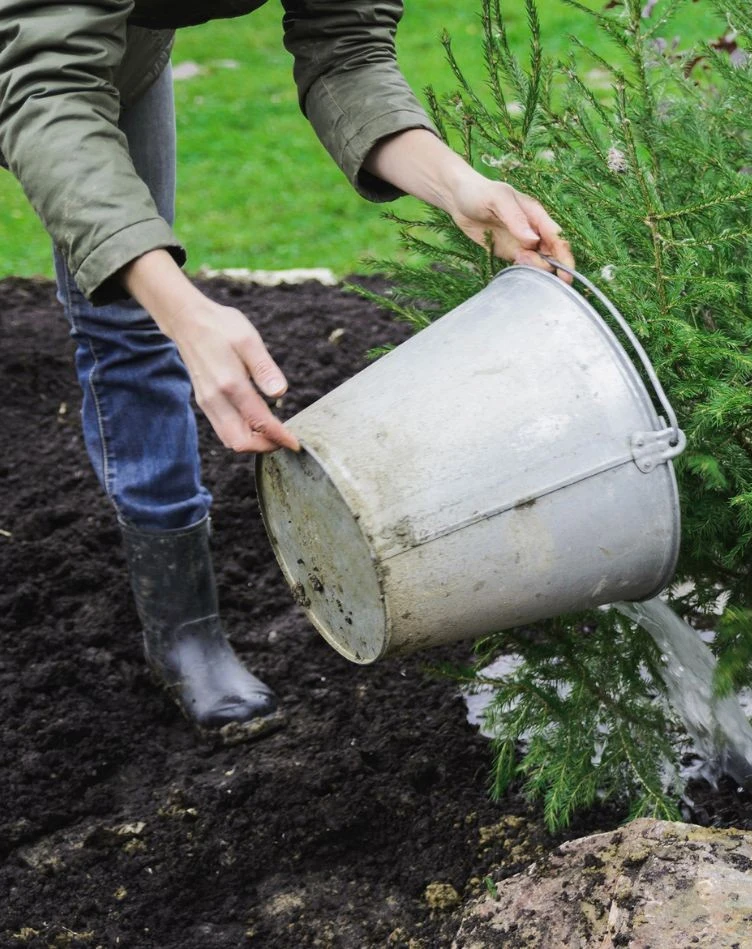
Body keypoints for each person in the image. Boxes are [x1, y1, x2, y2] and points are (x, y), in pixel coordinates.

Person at [0, 0, 573, 738]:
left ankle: (184, 633)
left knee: (130, 315)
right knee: (149, 295)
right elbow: (45, 88)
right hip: (50, 73)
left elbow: (345, 47)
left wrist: (456, 183)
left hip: (106, 56)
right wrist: (182, 307)